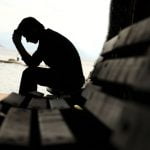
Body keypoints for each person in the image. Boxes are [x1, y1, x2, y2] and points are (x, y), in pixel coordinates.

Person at [12, 17, 85, 96]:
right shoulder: (47, 37)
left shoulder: (48, 40)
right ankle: (27, 101)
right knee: (30, 73)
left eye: (26, 36)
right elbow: (33, 62)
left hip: (71, 81)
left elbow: (32, 63)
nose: (27, 40)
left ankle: (24, 103)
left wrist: (18, 43)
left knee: (28, 73)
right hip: (73, 79)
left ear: (34, 29)